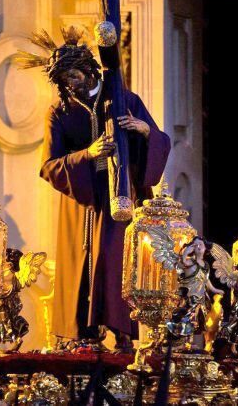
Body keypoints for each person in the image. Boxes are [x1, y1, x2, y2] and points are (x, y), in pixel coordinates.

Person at [17, 27, 170, 351]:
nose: (68, 84)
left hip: (119, 197)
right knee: (82, 264)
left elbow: (159, 142)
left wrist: (143, 130)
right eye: (62, 80)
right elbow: (49, 166)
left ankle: (123, 334)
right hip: (82, 201)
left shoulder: (124, 100)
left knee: (115, 261)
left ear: (88, 70)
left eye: (72, 76)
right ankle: (83, 338)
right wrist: (88, 154)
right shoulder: (59, 111)